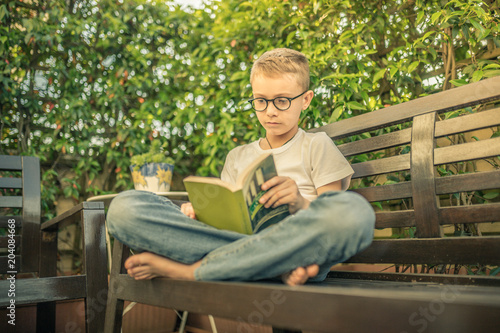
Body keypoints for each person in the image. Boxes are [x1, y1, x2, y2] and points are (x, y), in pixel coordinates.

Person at [106, 48, 375, 286]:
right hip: (280, 257)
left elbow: (331, 211)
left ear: (305, 100)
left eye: (282, 101)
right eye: (261, 100)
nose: (270, 111)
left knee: (355, 213)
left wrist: (299, 202)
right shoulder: (237, 156)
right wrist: (198, 213)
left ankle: (193, 272)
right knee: (124, 209)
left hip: (301, 244)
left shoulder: (317, 145)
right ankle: (274, 266)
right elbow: (225, 220)